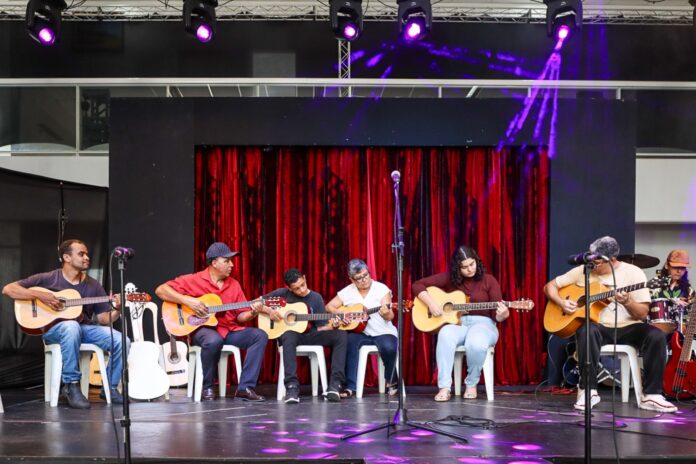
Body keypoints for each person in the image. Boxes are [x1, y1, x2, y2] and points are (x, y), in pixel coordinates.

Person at [544, 236, 677, 412]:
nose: (594, 266)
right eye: (592, 260)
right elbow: (549, 286)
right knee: (586, 331)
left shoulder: (633, 273)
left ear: (612, 259)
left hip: (628, 327)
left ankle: (652, 395)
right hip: (598, 326)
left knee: (656, 335)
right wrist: (562, 302)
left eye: (598, 262)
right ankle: (588, 390)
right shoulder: (584, 270)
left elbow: (643, 312)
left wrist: (628, 302)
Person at [2, 239, 127, 409]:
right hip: (55, 330)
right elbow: (8, 289)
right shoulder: (48, 278)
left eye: (87, 254)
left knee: (121, 340)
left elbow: (104, 319)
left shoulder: (93, 285)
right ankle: (71, 385)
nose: (87, 257)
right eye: (81, 254)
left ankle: (110, 388)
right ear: (67, 257)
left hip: (84, 329)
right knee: (70, 326)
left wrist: (118, 309)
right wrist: (40, 295)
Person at [155, 242, 268, 402]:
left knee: (259, 335)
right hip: (201, 329)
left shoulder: (234, 285)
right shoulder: (194, 280)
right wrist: (188, 301)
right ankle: (207, 386)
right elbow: (160, 290)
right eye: (227, 261)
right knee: (214, 340)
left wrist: (253, 312)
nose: (232, 264)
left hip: (228, 330)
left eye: (231, 261)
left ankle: (245, 388)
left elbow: (240, 316)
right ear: (214, 262)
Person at [412, 246, 509, 401]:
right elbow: (417, 285)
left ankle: (471, 383)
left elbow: (496, 315)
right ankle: (444, 387)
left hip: (484, 325)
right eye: (464, 267)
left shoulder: (489, 280)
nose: (470, 269)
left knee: (476, 341)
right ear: (458, 268)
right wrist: (431, 304)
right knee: (445, 333)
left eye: (472, 264)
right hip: (459, 324)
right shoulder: (450, 278)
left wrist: (502, 315)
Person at [265, 269, 347, 403]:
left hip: (311, 334)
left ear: (304, 277)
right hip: (292, 337)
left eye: (302, 285)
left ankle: (335, 386)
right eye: (296, 289)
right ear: (289, 288)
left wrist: (334, 326)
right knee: (288, 334)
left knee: (341, 335)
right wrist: (269, 310)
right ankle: (292, 387)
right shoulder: (282, 294)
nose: (302, 290)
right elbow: (256, 303)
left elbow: (321, 327)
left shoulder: (316, 297)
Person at [326, 259, 398, 398]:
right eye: (359, 279)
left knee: (389, 347)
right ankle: (351, 386)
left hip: (383, 331)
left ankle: (392, 379)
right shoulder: (347, 292)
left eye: (366, 275)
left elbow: (390, 316)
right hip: (360, 332)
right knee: (347, 343)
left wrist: (386, 313)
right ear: (352, 279)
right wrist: (341, 314)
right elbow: (329, 306)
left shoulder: (381, 289)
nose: (364, 280)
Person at [651, 249, 694, 329]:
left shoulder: (689, 290)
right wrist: (673, 300)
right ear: (667, 265)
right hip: (656, 330)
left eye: (682, 268)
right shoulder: (653, 284)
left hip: (680, 332)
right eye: (676, 267)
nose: (679, 271)